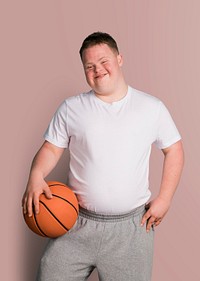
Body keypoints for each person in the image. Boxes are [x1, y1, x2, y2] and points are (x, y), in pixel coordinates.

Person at [22, 32, 184, 281]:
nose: (98, 70)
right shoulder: (71, 108)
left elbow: (174, 149)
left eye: (104, 61)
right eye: (89, 66)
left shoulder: (151, 107)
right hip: (76, 222)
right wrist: (35, 174)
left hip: (131, 230)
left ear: (120, 59)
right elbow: (51, 148)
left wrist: (165, 198)